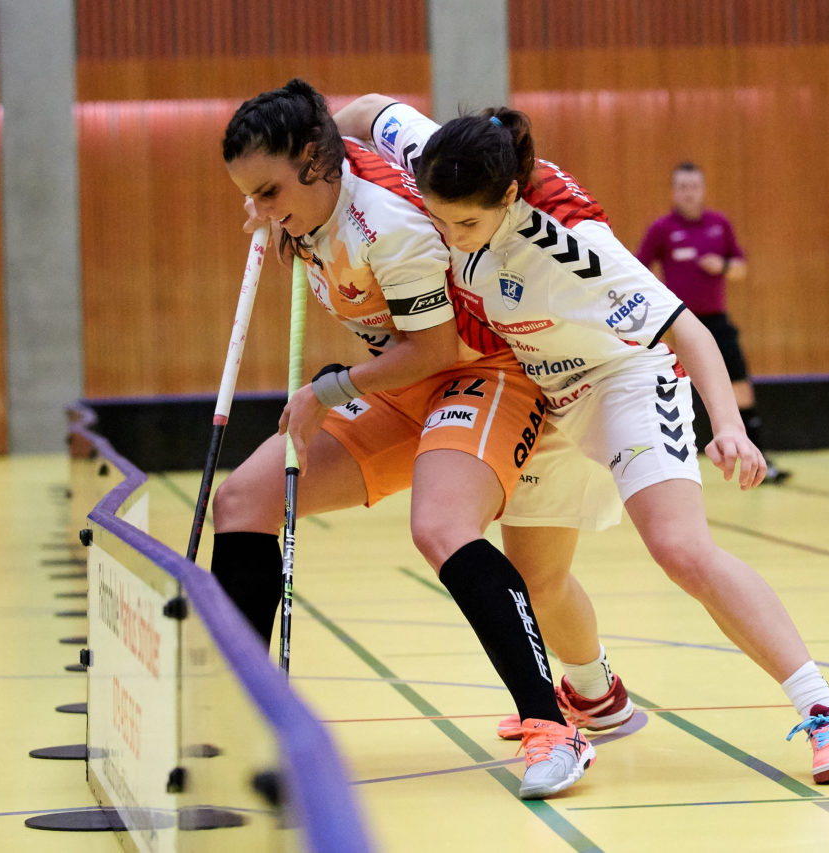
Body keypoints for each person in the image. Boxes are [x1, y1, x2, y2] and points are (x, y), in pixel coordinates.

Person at [334, 95, 829, 784]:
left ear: (508, 194)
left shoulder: (571, 246)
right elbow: (368, 110)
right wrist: (314, 154)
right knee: (534, 579)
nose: (451, 236)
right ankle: (596, 693)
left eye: (466, 223)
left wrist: (732, 429)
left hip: (624, 378)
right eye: (440, 220)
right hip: (546, 388)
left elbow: (690, 331)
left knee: (680, 547)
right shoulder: (441, 155)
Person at [210, 79, 594, 799]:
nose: (259, 212)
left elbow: (436, 350)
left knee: (441, 525)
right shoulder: (314, 192)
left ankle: (553, 726)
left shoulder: (387, 226)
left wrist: (330, 388)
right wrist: (278, 217)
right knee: (242, 501)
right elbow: (351, 108)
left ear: (311, 159)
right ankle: (242, 712)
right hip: (395, 375)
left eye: (267, 191)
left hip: (476, 370)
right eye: (250, 197)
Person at [637, 163, 789, 483]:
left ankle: (758, 458)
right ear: (673, 191)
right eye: (682, 186)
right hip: (676, 325)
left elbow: (740, 268)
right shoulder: (662, 228)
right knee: (661, 387)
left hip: (717, 322)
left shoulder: (719, 225)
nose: (688, 192)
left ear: (703, 189)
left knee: (741, 389)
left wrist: (721, 265)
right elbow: (638, 270)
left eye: (694, 185)